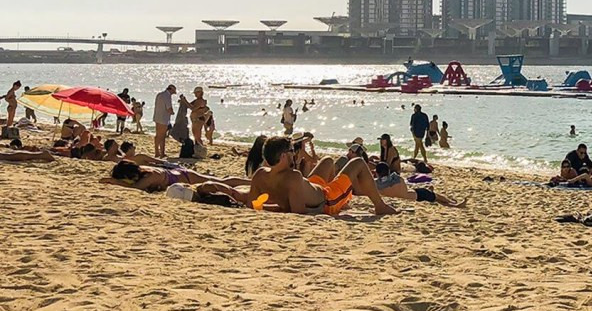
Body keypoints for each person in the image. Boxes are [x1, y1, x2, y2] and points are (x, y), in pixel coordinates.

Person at [247, 136, 397, 216]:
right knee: (358, 162)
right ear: (284, 156)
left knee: (327, 161)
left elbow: (251, 204)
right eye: (292, 151)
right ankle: (380, 206)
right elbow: (298, 213)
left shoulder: (260, 175)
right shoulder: (292, 177)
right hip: (327, 199)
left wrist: (266, 206)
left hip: (312, 185)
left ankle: (344, 201)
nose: (294, 154)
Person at [101, 160, 249, 193]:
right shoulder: (143, 170)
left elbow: (136, 188)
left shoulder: (148, 176)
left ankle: (249, 181)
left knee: (222, 182)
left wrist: (114, 182)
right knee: (221, 182)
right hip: (177, 173)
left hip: (186, 177)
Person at [374, 163, 464, 207]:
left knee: (427, 193)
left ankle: (431, 191)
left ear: (377, 173)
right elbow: (405, 189)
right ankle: (452, 203)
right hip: (415, 196)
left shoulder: (376, 185)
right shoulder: (397, 180)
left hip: (410, 195)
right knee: (435, 197)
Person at [153, 84, 176, 158]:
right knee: (162, 136)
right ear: (171, 89)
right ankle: (162, 153)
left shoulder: (160, 94)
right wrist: (172, 112)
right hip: (163, 118)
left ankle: (157, 151)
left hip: (157, 117)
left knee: (157, 135)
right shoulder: (167, 96)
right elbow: (169, 108)